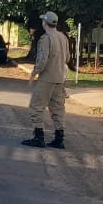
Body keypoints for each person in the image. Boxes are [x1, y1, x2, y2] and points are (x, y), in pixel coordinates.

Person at [22, 11, 69, 149]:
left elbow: (42, 61)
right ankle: (59, 139)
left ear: (45, 23)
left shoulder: (45, 39)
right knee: (58, 109)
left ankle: (39, 137)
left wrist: (34, 74)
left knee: (36, 107)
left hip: (47, 79)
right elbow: (67, 58)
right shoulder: (63, 38)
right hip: (60, 79)